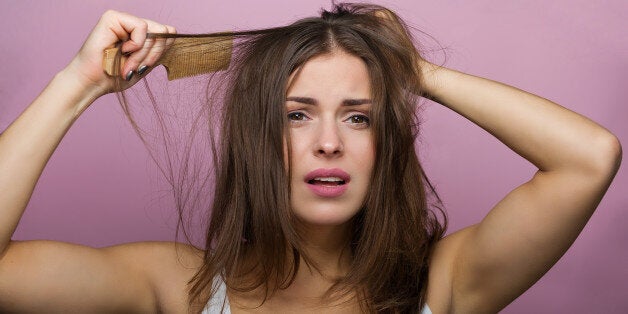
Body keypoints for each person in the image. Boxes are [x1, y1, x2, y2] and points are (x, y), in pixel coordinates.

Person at [0, 3, 621, 313]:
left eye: (359, 116)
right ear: (256, 138)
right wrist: (76, 85)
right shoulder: (178, 287)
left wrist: (417, 72)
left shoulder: (447, 280)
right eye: (297, 115)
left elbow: (589, 157)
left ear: (387, 143)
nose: (330, 141)